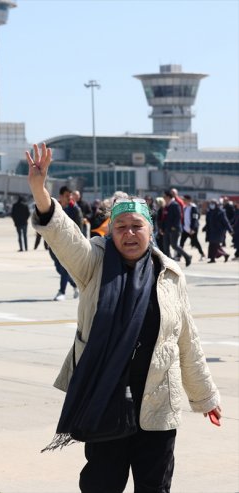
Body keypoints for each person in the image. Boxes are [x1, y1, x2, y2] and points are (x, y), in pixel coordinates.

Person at [27, 143, 221, 493]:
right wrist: (41, 191)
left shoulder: (170, 272)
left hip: (158, 404)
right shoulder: (94, 264)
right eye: (121, 227)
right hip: (106, 396)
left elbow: (187, 340)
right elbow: (64, 236)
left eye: (136, 226)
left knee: (155, 485)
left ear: (151, 231)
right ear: (110, 232)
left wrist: (205, 397)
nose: (129, 234)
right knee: (102, 483)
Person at [51, 186, 81, 301]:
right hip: (54, 244)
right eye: (67, 196)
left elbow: (79, 227)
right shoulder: (54, 208)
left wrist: (78, 243)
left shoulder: (75, 209)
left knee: (64, 268)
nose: (70, 198)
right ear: (61, 196)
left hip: (69, 243)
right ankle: (75, 286)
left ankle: (61, 292)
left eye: (71, 195)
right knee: (59, 268)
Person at [163, 190, 192, 267]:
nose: (164, 198)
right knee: (165, 246)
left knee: (174, 245)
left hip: (174, 229)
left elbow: (178, 216)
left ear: (168, 197)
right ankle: (167, 263)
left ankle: (187, 257)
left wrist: (174, 227)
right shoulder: (167, 205)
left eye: (164, 197)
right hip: (167, 229)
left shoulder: (175, 205)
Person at [203, 199, 233, 263]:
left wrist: (230, 230)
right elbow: (208, 222)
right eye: (211, 203)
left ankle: (212, 259)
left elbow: (226, 222)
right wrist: (204, 228)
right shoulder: (209, 212)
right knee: (214, 245)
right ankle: (225, 255)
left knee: (214, 245)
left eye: (213, 203)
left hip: (218, 231)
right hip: (211, 231)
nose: (212, 205)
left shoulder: (221, 212)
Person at [179, 195, 205, 261]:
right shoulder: (185, 208)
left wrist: (193, 229)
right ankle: (179, 256)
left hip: (192, 229)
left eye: (185, 200)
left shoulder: (193, 208)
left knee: (195, 242)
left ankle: (202, 254)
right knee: (181, 242)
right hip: (185, 229)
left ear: (189, 200)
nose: (184, 201)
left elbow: (195, 219)